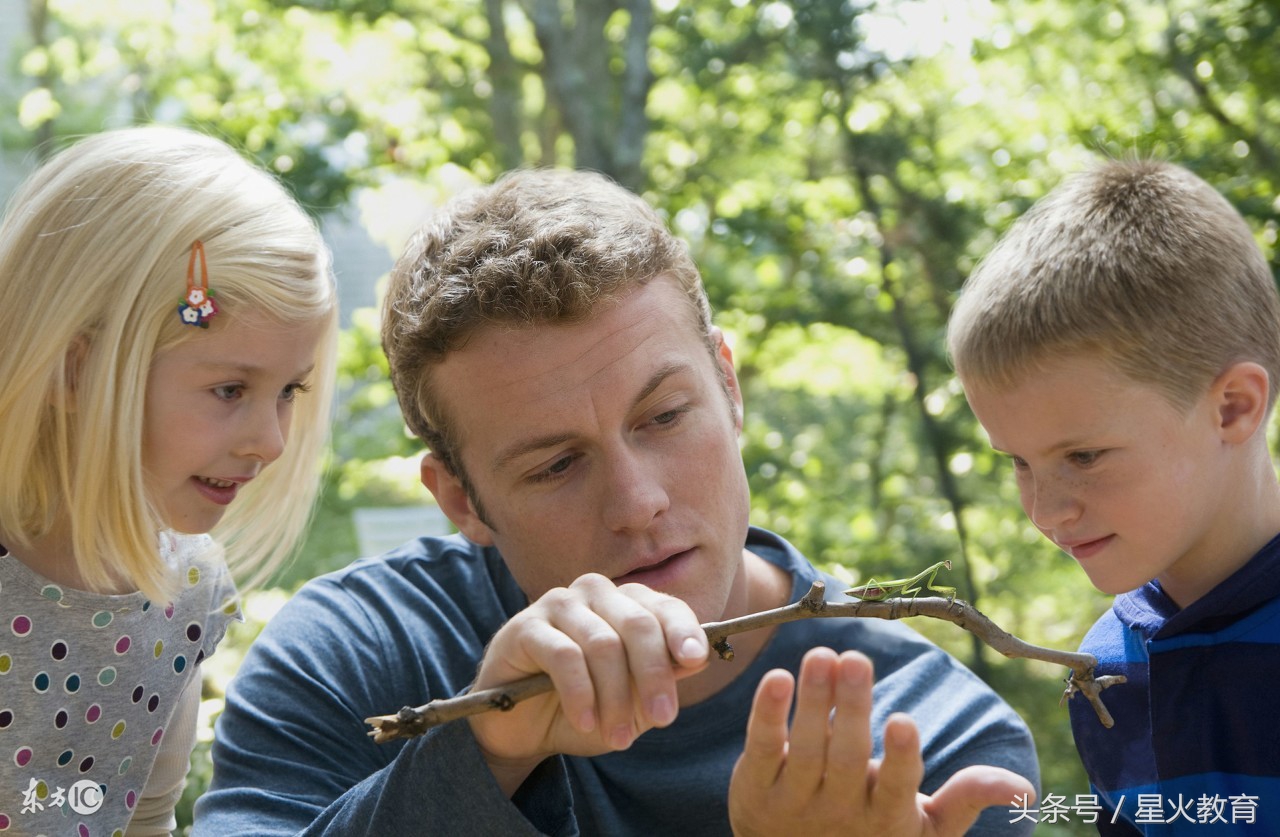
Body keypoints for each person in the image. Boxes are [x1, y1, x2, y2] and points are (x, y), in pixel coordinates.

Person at [195, 167, 1039, 836]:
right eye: (557, 465)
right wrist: (481, 749)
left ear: (730, 386)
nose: (637, 501)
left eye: (665, 416)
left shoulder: (921, 741)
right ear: (461, 497)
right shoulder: (359, 659)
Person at [0, 125, 338, 835]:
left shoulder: (188, 594)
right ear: (76, 371)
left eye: (289, 392)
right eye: (229, 390)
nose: (271, 441)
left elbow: (144, 814)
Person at [947, 159, 1280, 834]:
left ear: (1233, 408)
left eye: (1084, 456)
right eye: (1018, 462)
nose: (1044, 511)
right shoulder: (1105, 671)